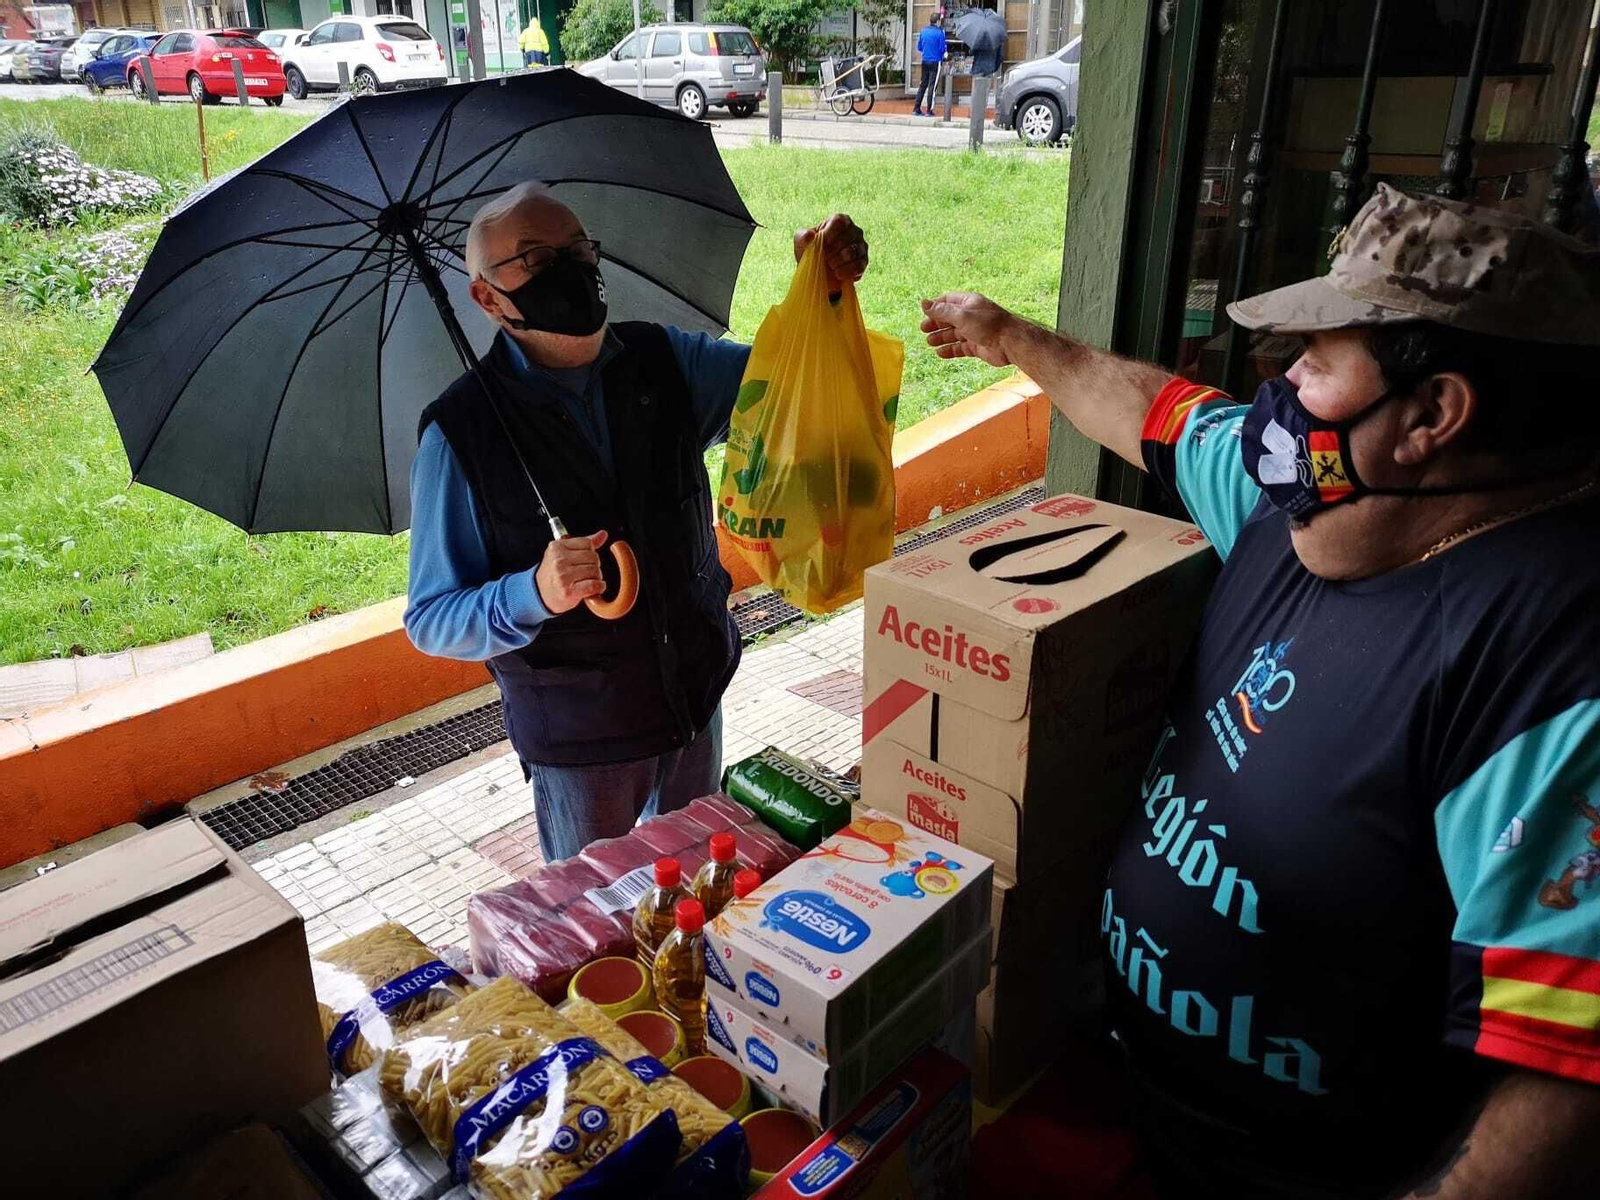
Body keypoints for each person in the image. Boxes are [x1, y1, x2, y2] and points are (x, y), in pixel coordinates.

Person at [922, 184, 1600, 1198]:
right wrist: (1008, 336)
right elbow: (1153, 413)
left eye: (1317, 360)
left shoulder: (1549, 667)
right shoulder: (1309, 497)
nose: (1276, 384)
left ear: (1429, 415)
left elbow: (1561, 1088)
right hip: (1135, 1098)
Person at [406, 183, 869, 862]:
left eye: (576, 248)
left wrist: (820, 293)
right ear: (486, 297)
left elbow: (787, 390)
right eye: (535, 259)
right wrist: (533, 592)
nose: (569, 268)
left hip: (693, 701)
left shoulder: (664, 362)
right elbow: (431, 617)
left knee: (688, 897)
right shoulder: (461, 435)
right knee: (597, 926)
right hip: (582, 746)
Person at [913, 14, 947, 117]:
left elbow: (919, 47)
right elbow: (942, 49)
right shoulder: (940, 33)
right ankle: (929, 110)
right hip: (935, 61)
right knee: (932, 85)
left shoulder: (923, 31)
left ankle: (916, 108)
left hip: (925, 60)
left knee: (923, 84)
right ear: (937, 21)